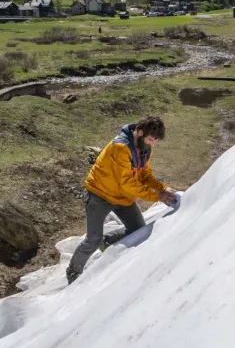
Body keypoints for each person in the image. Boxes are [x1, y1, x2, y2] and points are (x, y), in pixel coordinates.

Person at [66, 116, 178, 284]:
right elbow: (127, 182)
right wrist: (157, 196)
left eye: (155, 141)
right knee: (92, 239)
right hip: (100, 195)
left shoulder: (144, 147)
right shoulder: (120, 148)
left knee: (138, 230)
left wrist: (161, 187)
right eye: (150, 139)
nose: (152, 143)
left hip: (123, 196)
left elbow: (144, 174)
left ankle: (107, 241)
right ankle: (73, 272)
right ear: (139, 132)